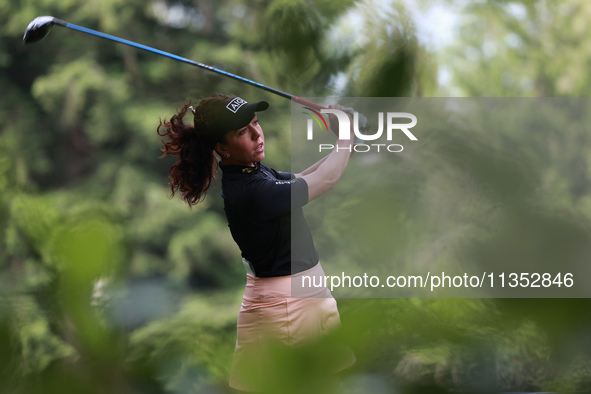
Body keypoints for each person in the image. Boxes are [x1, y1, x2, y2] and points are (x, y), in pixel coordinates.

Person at [157, 93, 356, 392]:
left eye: (255, 123)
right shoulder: (252, 191)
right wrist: (346, 136)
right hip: (287, 308)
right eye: (242, 132)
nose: (256, 134)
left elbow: (304, 178)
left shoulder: (252, 173)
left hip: (301, 298)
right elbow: (326, 180)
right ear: (222, 148)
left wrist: (345, 141)